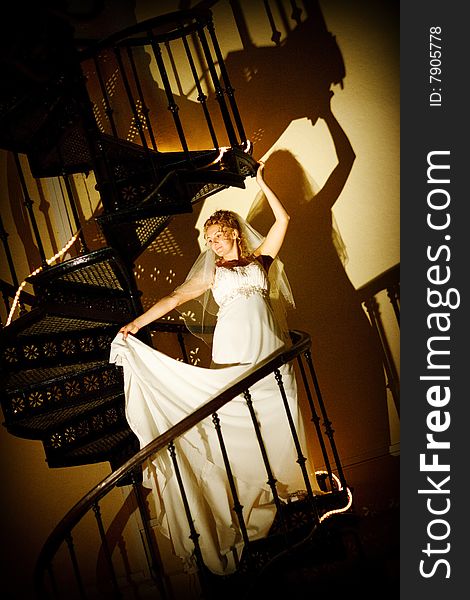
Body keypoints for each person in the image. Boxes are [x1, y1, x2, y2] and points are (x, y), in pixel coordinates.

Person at [110, 162, 321, 575]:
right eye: (208, 239)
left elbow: (284, 219)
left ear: (234, 232)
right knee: (235, 412)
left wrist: (262, 182)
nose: (213, 244)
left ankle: (286, 485)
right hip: (234, 346)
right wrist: (135, 325)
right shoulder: (212, 273)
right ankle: (243, 488)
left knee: (282, 406)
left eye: (218, 236)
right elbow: (173, 297)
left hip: (270, 345)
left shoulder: (260, 260)